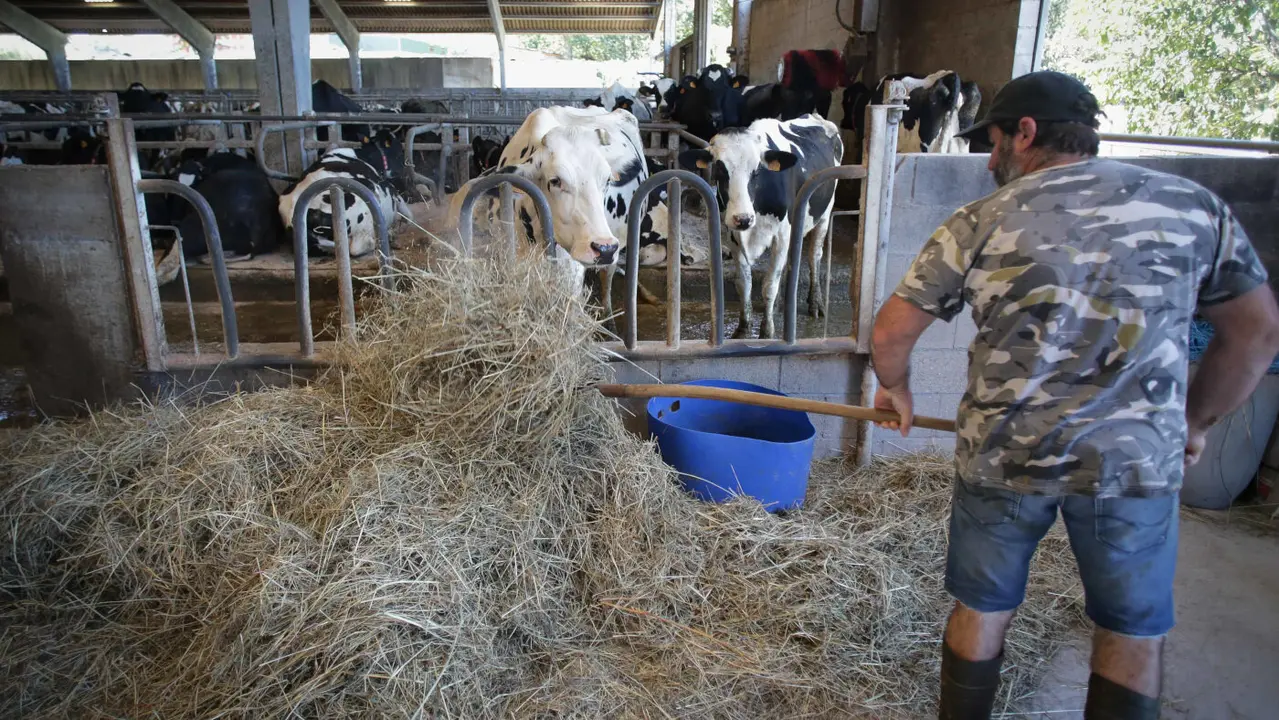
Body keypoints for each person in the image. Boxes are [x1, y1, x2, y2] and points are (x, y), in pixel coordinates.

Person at [869, 70, 1279, 720]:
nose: (989, 157)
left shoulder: (980, 220)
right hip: (1132, 461)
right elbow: (1255, 333)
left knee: (982, 606)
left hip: (1003, 455)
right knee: (1130, 628)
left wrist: (895, 389)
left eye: (994, 140)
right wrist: (1192, 422)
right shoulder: (1190, 207)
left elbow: (891, 330)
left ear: (1024, 132)